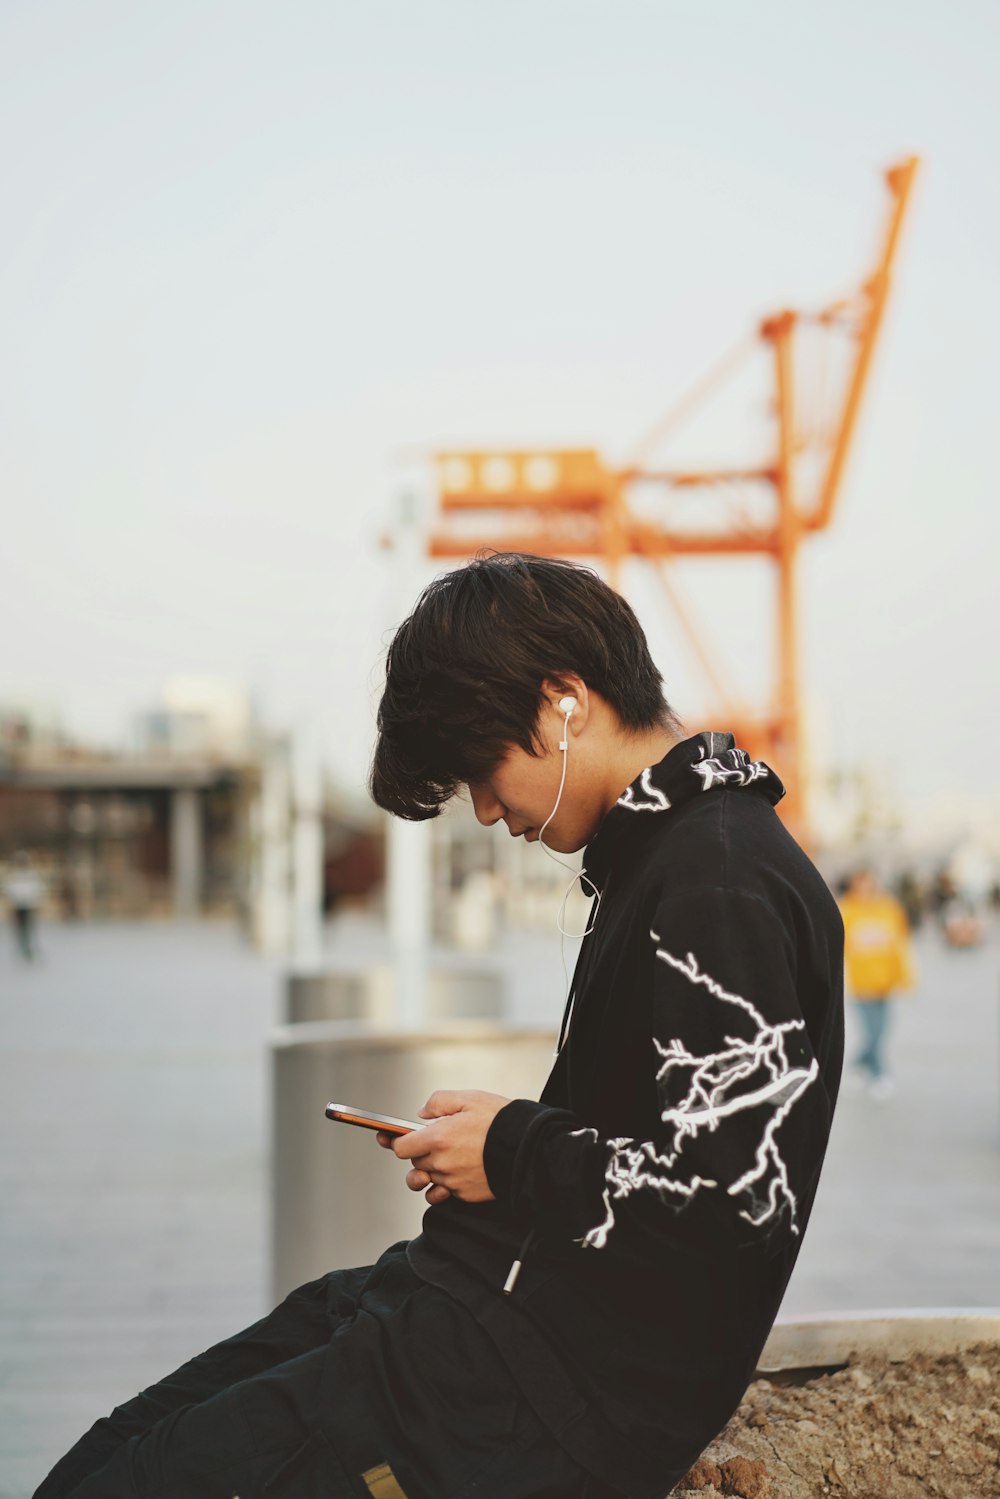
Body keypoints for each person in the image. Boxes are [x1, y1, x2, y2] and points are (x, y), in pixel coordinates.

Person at [35, 553, 844, 1499]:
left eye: (483, 771)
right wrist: (499, 1145)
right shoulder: (671, 853)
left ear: (563, 700)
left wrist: (510, 1145)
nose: (489, 810)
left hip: (532, 1399)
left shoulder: (716, 878)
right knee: (107, 1455)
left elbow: (725, 1209)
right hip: (477, 1312)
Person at [840, 866, 915, 1099]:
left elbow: (899, 943)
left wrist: (903, 977)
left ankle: (858, 1062)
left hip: (885, 981)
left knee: (882, 1030)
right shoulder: (847, 910)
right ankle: (879, 1074)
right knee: (873, 1032)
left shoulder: (889, 908)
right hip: (861, 983)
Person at [4, 849, 44, 960]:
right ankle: (22, 949)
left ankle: (30, 949)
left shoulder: (31, 874)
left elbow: (36, 889)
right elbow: (10, 890)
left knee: (29, 929)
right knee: (20, 930)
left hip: (29, 906)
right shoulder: (14, 875)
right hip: (18, 907)